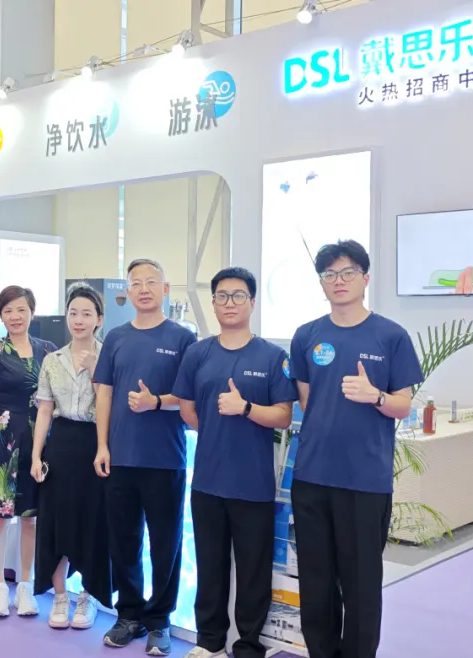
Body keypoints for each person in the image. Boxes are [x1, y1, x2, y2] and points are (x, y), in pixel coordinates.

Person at [289, 240, 422, 658]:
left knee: (361, 584)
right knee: (316, 581)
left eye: (348, 272)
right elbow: (308, 401)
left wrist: (375, 396)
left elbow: (403, 405)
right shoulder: (306, 335)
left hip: (365, 479)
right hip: (312, 477)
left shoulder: (390, 335)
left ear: (365, 278)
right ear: (321, 283)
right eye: (329, 274)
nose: (338, 281)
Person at [172, 267, 297, 658]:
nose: (230, 303)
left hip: (253, 484)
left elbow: (283, 416)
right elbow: (187, 410)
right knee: (210, 566)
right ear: (213, 303)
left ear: (252, 302)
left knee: (253, 570)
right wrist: (216, 428)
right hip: (208, 482)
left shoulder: (273, 356)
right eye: (222, 296)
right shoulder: (198, 353)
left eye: (238, 295)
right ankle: (210, 642)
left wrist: (245, 409)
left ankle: (247, 646)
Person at [94, 258, 197, 655]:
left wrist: (157, 401)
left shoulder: (183, 337)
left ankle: (160, 620)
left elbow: (188, 397)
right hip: (120, 456)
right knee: (124, 541)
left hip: (166, 458)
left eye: (151, 282)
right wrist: (102, 446)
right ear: (127, 292)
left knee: (166, 543)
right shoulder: (116, 337)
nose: (143, 288)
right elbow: (104, 393)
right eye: (136, 282)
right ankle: (130, 615)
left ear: (165, 290)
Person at [31, 282, 113, 631]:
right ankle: (60, 596)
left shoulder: (109, 355)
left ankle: (88, 596)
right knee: (57, 520)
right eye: (73, 313)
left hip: (96, 443)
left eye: (86, 314)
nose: (79, 320)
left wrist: (96, 371)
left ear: (99, 319)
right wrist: (36, 455)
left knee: (93, 521)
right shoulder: (52, 359)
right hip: (61, 445)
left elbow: (110, 404)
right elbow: (44, 410)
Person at [0, 286, 56, 618]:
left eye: (21, 309)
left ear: (32, 312)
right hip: (3, 440)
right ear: (0, 315)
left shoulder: (48, 350)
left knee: (30, 518)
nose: (15, 316)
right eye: (8, 311)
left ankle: (25, 586)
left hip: (40, 442)